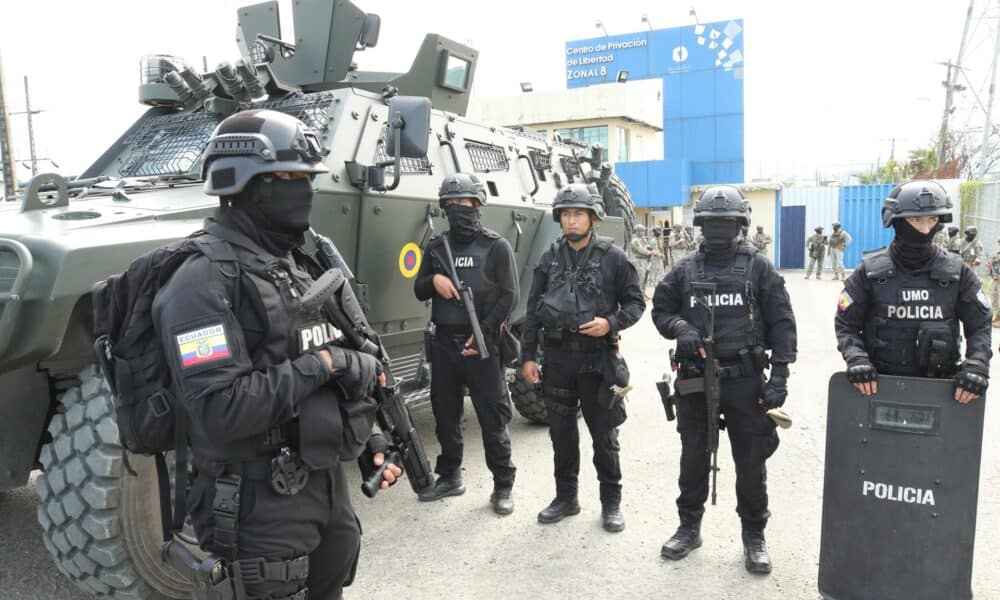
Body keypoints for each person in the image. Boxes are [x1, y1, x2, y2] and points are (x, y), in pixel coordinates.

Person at [152, 109, 401, 599]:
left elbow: (320, 353)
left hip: (320, 483)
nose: (306, 191)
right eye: (293, 178)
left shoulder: (291, 263)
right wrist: (329, 365)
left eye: (307, 178)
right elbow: (221, 408)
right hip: (254, 500)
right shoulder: (199, 281)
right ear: (252, 184)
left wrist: (367, 438)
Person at [652, 185, 797, 575]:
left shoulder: (758, 268)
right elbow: (660, 310)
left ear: (740, 224)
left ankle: (754, 535)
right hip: (696, 379)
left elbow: (783, 324)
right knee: (693, 457)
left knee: (751, 462)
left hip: (745, 381)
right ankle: (689, 527)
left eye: (726, 222)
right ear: (700, 225)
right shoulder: (684, 269)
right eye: (711, 223)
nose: (718, 229)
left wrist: (780, 375)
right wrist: (680, 326)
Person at [521, 184, 645, 533]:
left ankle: (611, 504)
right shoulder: (548, 259)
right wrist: (527, 357)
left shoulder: (613, 257)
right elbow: (532, 311)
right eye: (565, 214)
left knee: (604, 436)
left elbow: (636, 303)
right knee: (561, 436)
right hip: (557, 358)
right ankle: (566, 498)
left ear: (592, 217)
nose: (571, 220)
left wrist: (610, 323)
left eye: (578, 214)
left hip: (597, 360)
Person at [413, 173, 518, 514]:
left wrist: (484, 331)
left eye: (466, 203)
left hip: (482, 345)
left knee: (492, 419)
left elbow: (509, 296)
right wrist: (435, 280)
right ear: (445, 208)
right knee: (446, 415)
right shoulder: (436, 247)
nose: (460, 209)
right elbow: (418, 289)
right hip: (444, 344)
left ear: (478, 206)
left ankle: (503, 486)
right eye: (452, 204)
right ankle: (450, 477)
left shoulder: (495, 246)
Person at [835, 180, 990, 404]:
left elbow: (980, 325)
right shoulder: (870, 272)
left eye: (933, 220)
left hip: (942, 390)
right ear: (895, 221)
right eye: (916, 220)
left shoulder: (958, 272)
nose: (926, 229)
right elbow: (846, 324)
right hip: (879, 387)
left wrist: (977, 364)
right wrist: (856, 359)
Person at [630, 224, 652, 296]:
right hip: (638, 261)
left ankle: (643, 292)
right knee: (640, 278)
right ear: (637, 231)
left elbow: (647, 247)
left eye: (643, 231)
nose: (643, 233)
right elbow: (641, 250)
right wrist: (651, 252)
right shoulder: (635, 240)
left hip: (644, 260)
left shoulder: (643, 239)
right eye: (641, 231)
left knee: (646, 278)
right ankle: (639, 295)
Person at [988, 242, 1000, 327]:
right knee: (993, 298)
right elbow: (992, 264)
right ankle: (997, 316)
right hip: (995, 278)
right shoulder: (997, 254)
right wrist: (990, 266)